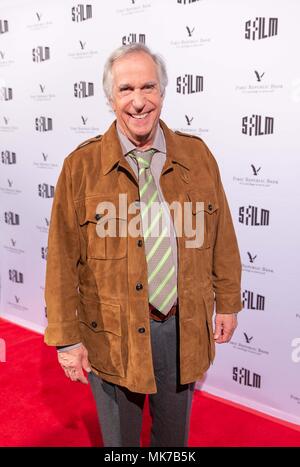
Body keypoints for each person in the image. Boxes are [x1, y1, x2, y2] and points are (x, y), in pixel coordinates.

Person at [44, 43, 242, 447]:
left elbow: (222, 235)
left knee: (173, 440)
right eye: (126, 89)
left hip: (181, 326)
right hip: (111, 334)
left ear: (163, 92)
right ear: (110, 98)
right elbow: (62, 260)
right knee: (121, 443)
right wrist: (67, 339)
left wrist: (229, 301)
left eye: (148, 87)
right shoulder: (80, 167)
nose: (138, 102)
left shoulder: (197, 156)